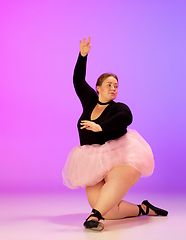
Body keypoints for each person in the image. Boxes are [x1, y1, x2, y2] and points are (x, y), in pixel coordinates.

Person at [62, 37, 168, 231]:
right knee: (108, 210)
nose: (113, 88)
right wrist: (83, 55)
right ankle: (144, 208)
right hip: (91, 160)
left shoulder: (119, 108)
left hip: (119, 156)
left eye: (116, 86)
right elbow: (78, 80)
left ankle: (93, 217)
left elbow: (126, 118)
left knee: (101, 208)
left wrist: (100, 127)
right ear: (98, 88)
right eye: (109, 84)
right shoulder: (89, 101)